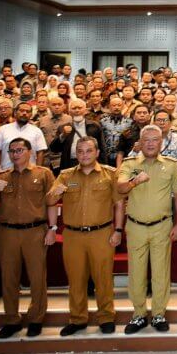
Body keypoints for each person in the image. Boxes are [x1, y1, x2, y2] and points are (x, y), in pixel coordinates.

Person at [50, 137, 123, 336]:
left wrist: (118, 230)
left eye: (89, 151)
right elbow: (49, 199)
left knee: (103, 278)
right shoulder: (65, 176)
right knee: (76, 280)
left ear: (97, 152)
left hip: (102, 233)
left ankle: (106, 317)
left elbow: (119, 204)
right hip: (73, 235)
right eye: (80, 151)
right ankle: (78, 319)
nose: (84, 155)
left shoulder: (110, 174)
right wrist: (56, 193)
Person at [117, 124, 177, 334]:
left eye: (155, 140)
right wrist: (134, 181)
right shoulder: (129, 164)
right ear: (140, 142)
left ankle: (158, 314)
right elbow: (120, 188)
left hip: (162, 225)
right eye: (146, 140)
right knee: (136, 272)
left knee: (160, 272)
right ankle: (138, 315)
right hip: (136, 226)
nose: (150, 144)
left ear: (161, 143)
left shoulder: (171, 165)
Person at [0, 138, 56, 338]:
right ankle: (12, 319)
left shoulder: (43, 174)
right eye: (11, 151)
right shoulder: (1, 177)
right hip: (7, 232)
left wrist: (52, 228)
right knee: (9, 278)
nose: (15, 154)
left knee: (37, 277)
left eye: (19, 150)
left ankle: (36, 318)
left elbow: (52, 202)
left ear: (30, 151)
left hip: (35, 231)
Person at [0, 101, 46, 171]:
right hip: (6, 171)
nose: (25, 113)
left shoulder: (37, 131)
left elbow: (40, 153)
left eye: (27, 111)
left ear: (31, 115)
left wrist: (38, 172)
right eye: (22, 111)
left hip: (30, 172)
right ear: (15, 113)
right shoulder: (3, 129)